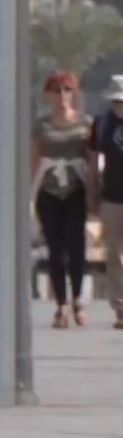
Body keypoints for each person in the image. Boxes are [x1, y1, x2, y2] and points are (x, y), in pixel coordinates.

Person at [35, 71, 93, 327]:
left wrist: (94, 192)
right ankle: (61, 304)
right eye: (57, 90)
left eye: (67, 90)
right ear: (48, 94)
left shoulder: (85, 123)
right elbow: (33, 161)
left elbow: (92, 160)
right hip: (48, 191)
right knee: (55, 249)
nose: (62, 96)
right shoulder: (42, 125)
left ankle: (77, 299)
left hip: (76, 189)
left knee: (76, 247)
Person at [88, 76, 123, 329]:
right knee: (115, 254)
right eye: (116, 101)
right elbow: (93, 161)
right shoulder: (102, 124)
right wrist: (92, 192)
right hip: (112, 197)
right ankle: (121, 307)